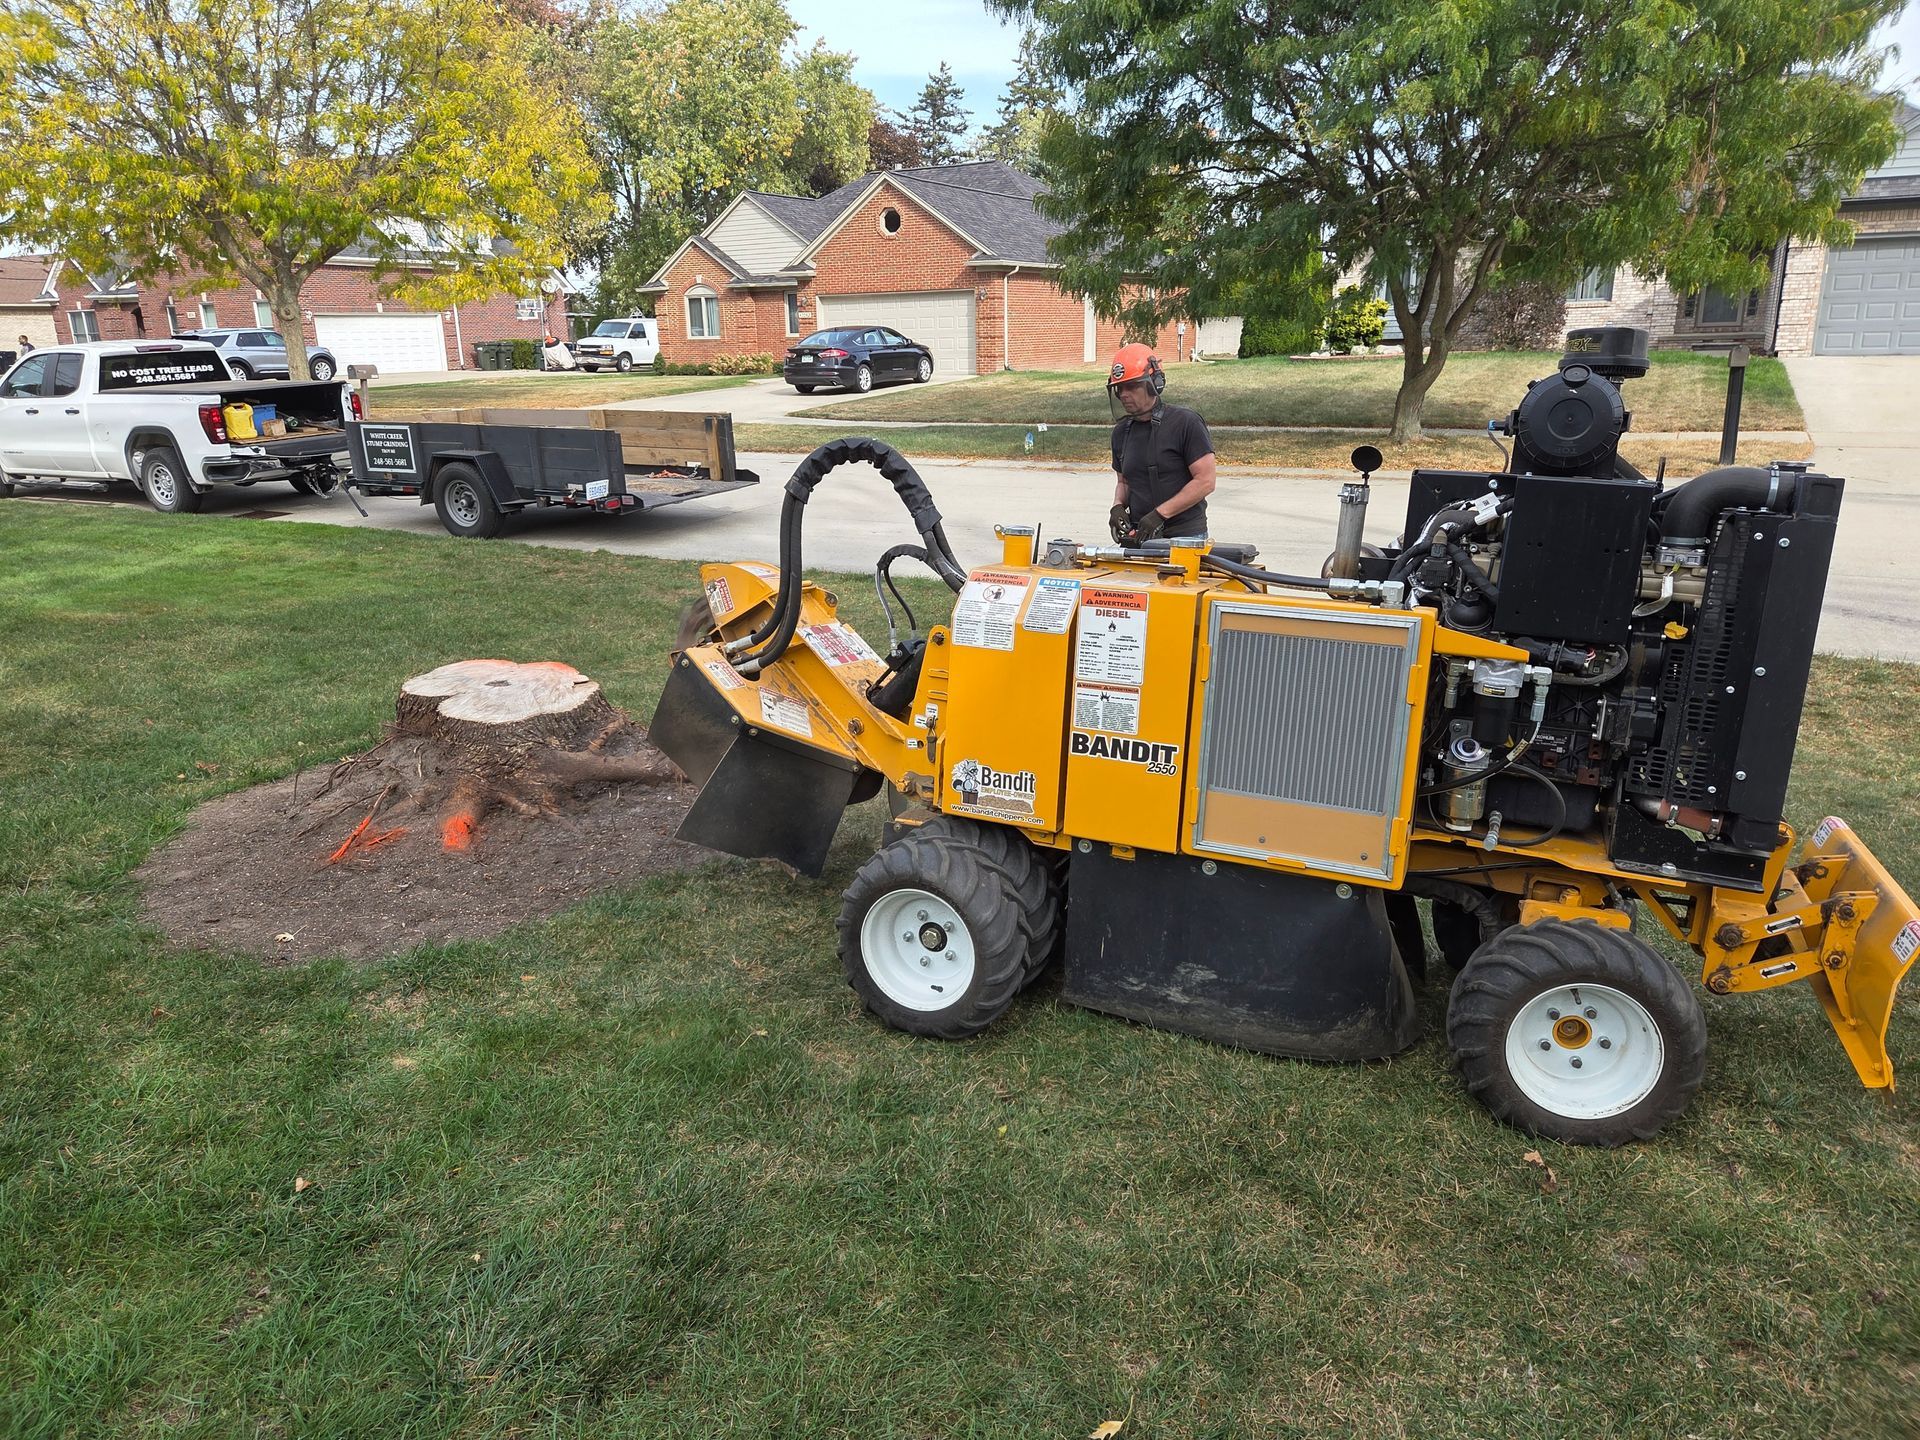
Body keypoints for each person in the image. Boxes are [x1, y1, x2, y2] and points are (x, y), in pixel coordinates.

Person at [1106, 342, 1216, 545]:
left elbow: (1206, 481)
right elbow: (1124, 482)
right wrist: (1117, 506)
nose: (1123, 395)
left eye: (1131, 386)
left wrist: (1160, 514)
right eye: (1119, 389)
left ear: (1154, 383)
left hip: (1185, 537)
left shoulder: (1185, 423)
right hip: (1142, 535)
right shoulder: (1122, 432)